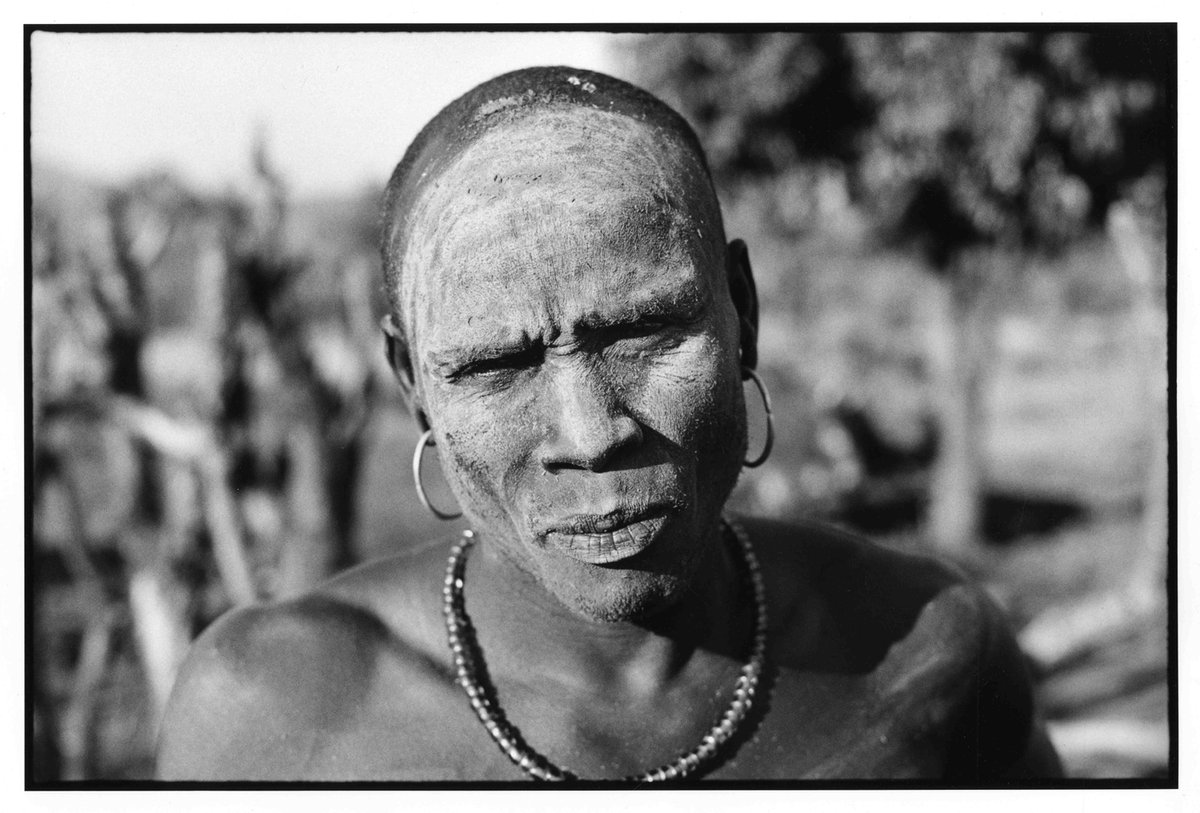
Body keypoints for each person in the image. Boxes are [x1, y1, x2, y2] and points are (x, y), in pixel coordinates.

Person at [155, 66, 1062, 782]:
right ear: (411, 382)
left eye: (641, 331)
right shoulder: (270, 713)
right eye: (496, 366)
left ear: (740, 313)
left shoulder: (927, 655)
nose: (591, 435)